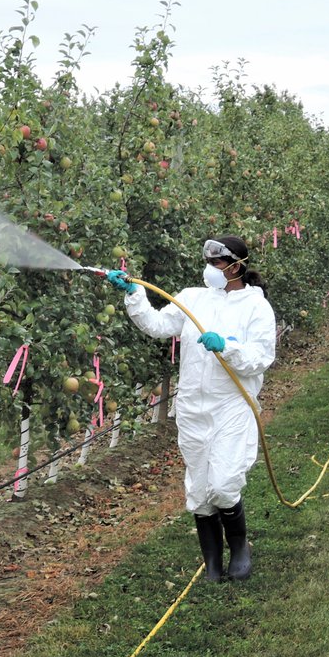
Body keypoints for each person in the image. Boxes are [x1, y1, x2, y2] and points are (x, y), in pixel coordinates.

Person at [106, 235, 276, 582]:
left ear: (237, 265)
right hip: (193, 408)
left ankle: (240, 546)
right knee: (200, 490)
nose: (210, 269)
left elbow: (261, 358)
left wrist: (226, 347)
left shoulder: (256, 307)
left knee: (225, 483)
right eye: (209, 261)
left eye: (218, 262)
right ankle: (213, 564)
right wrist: (133, 295)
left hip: (231, 405)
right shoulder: (192, 298)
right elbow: (156, 325)